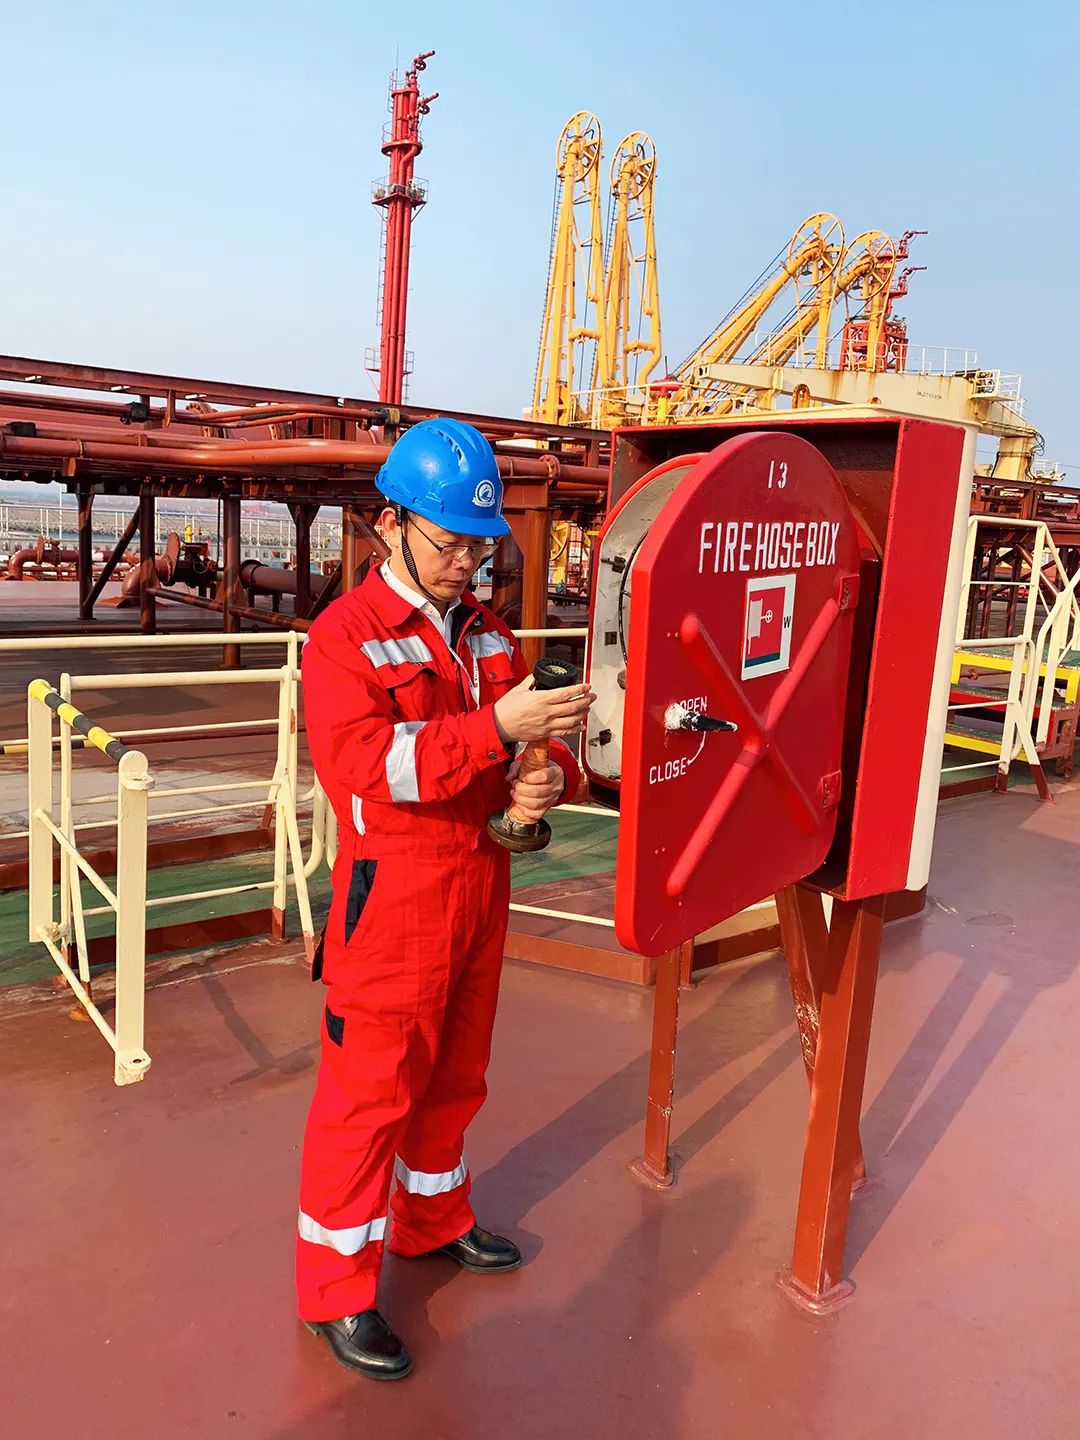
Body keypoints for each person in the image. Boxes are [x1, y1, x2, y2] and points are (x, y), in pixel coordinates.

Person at [296, 417, 595, 1381]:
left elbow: (531, 748)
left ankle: (431, 1219)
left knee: (458, 1073)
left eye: (480, 545)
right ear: (391, 524)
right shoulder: (345, 637)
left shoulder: (488, 635)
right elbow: (365, 765)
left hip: (478, 887)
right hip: (392, 900)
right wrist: (497, 729)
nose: (469, 562)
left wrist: (546, 777)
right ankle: (335, 1291)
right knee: (367, 1097)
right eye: (452, 541)